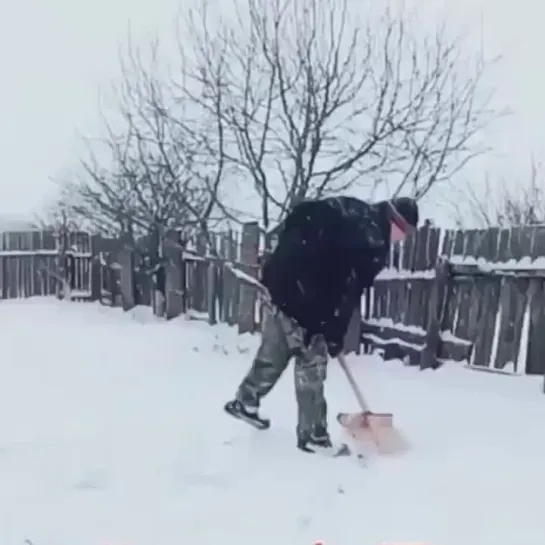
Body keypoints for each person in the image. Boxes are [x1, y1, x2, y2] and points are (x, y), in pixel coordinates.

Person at [224, 196, 419, 453]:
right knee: (311, 367)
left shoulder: (355, 211)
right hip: (306, 294)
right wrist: (333, 328)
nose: (401, 239)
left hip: (282, 281)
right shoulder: (372, 240)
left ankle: (246, 400)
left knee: (276, 349)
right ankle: (313, 437)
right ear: (397, 223)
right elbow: (348, 287)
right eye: (404, 233)